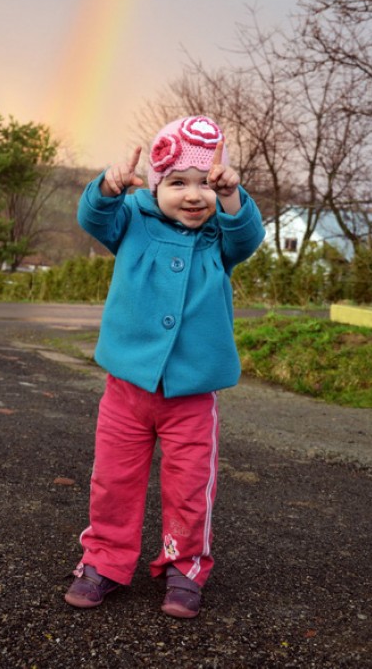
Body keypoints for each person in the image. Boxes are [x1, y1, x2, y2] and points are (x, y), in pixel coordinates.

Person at [64, 114, 265, 619]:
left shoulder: (222, 235)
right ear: (156, 186)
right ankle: (105, 562)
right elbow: (94, 218)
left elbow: (250, 236)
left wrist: (234, 197)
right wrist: (106, 187)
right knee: (113, 481)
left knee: (189, 487)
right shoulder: (131, 220)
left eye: (205, 183)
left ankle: (185, 567)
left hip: (192, 397)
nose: (193, 195)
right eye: (178, 183)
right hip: (126, 391)